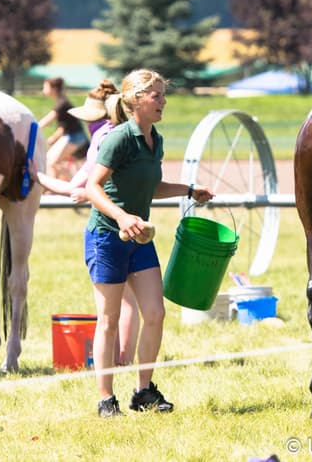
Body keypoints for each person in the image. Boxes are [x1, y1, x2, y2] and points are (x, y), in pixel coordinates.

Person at [84, 69, 214, 417]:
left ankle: (143, 392)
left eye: (163, 95)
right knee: (108, 321)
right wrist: (122, 217)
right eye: (156, 95)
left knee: (155, 313)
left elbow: (151, 186)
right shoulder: (119, 138)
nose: (163, 101)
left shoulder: (155, 139)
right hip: (107, 238)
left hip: (139, 239)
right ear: (136, 100)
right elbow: (92, 188)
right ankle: (105, 399)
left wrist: (188, 190)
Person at [38, 80, 141, 367]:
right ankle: (125, 359)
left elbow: (80, 186)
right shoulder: (132, 133)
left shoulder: (104, 137)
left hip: (108, 226)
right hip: (135, 221)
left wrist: (39, 177)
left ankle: (115, 361)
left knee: (112, 306)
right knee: (130, 300)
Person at [39, 77, 90, 180]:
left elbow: (46, 121)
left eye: (45, 87)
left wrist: (32, 127)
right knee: (51, 161)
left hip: (75, 137)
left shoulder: (62, 104)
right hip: (72, 136)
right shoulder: (62, 102)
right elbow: (63, 126)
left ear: (53, 89)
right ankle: (61, 183)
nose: (43, 90)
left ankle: (75, 183)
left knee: (51, 163)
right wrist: (54, 138)